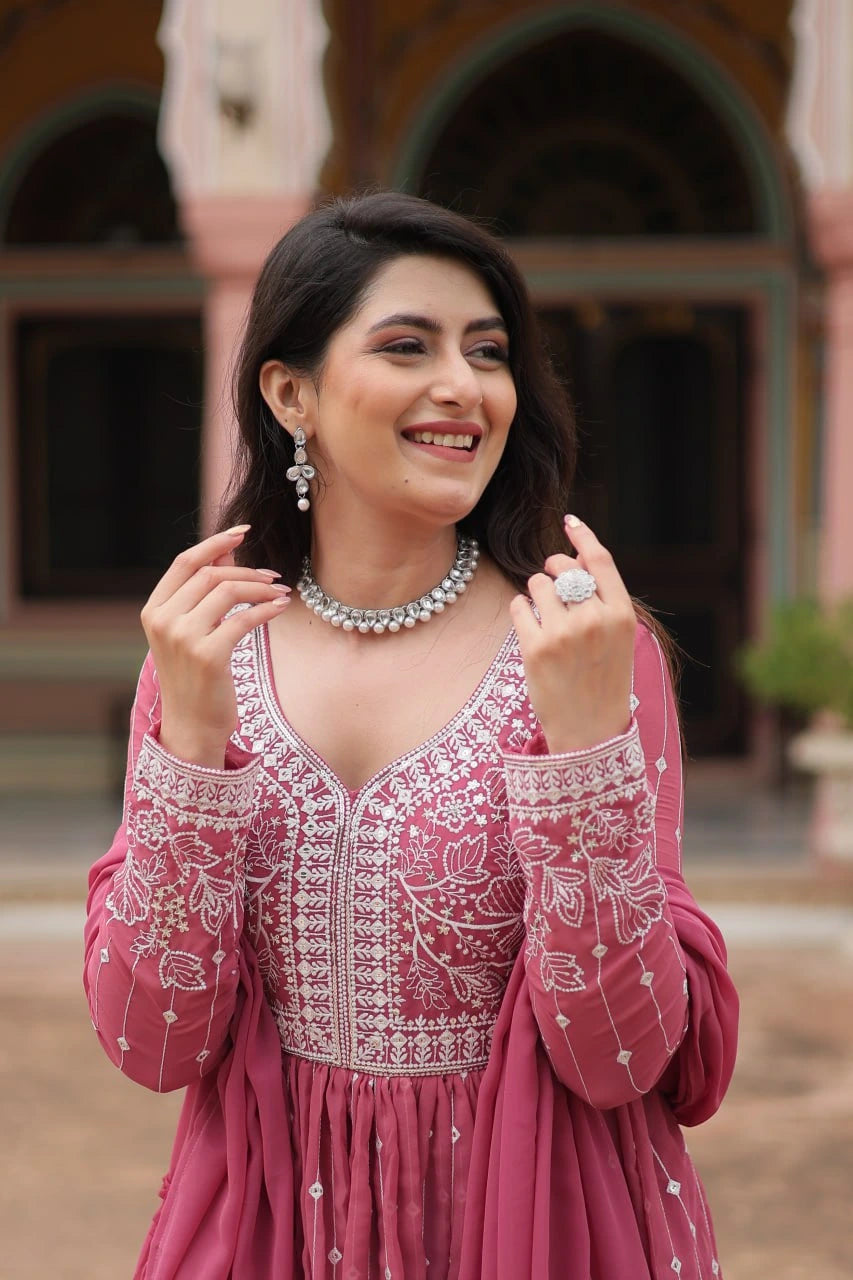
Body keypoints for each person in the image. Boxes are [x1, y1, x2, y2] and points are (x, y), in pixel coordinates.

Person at [83, 190, 738, 1280]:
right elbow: (155, 1043)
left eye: (488, 351)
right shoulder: (205, 658)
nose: (463, 385)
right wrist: (189, 746)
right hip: (268, 1228)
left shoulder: (575, 651)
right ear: (290, 392)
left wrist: (582, 757)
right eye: (407, 344)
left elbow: (616, 1053)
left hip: (540, 1223)